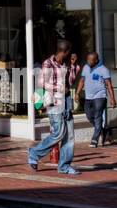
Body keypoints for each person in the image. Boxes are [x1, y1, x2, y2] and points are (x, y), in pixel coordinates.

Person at [28, 39, 79, 175]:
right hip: (55, 102)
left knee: (69, 136)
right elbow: (42, 83)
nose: (70, 55)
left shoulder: (66, 64)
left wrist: (73, 66)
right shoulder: (48, 63)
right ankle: (34, 153)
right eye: (69, 53)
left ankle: (64, 166)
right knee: (58, 134)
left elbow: (71, 82)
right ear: (65, 51)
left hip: (66, 101)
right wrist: (59, 88)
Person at [80, 51, 116, 148]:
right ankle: (103, 130)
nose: (88, 62)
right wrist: (77, 92)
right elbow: (82, 80)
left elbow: (109, 85)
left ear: (96, 60)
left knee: (97, 116)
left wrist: (112, 99)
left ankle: (94, 140)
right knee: (89, 116)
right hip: (88, 97)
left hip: (100, 96)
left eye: (90, 60)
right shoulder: (86, 67)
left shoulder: (103, 69)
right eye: (87, 59)